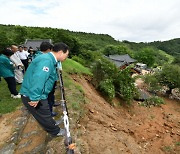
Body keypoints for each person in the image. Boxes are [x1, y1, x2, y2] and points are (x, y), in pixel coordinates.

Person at [20, 42, 69, 136]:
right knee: (44, 115)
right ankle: (55, 131)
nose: (66, 58)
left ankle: (53, 125)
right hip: (33, 94)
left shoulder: (49, 59)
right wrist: (34, 97)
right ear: (61, 52)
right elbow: (39, 79)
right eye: (66, 55)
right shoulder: (47, 61)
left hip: (38, 93)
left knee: (45, 112)